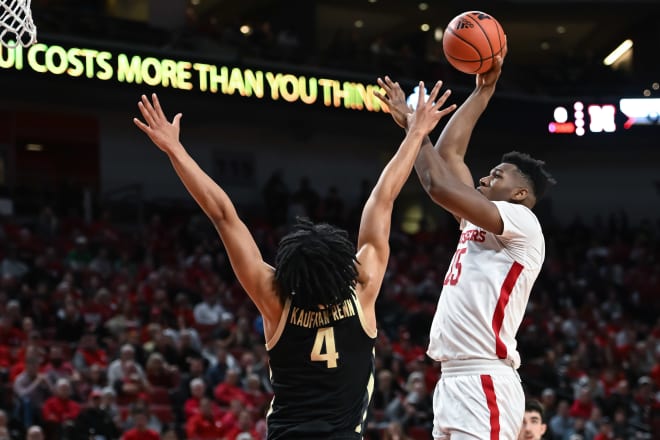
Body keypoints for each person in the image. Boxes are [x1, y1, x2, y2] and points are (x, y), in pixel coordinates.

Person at [133, 83, 456, 439]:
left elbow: (224, 215)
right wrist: (416, 133)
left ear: (288, 270)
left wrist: (175, 150)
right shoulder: (362, 288)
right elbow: (382, 199)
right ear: (344, 267)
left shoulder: (275, 299)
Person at [375, 49, 556, 439]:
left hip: (485, 377)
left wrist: (414, 129)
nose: (485, 179)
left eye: (497, 175)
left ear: (521, 193)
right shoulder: (476, 223)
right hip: (453, 379)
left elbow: (437, 183)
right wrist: (483, 91)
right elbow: (447, 155)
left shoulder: (522, 222)